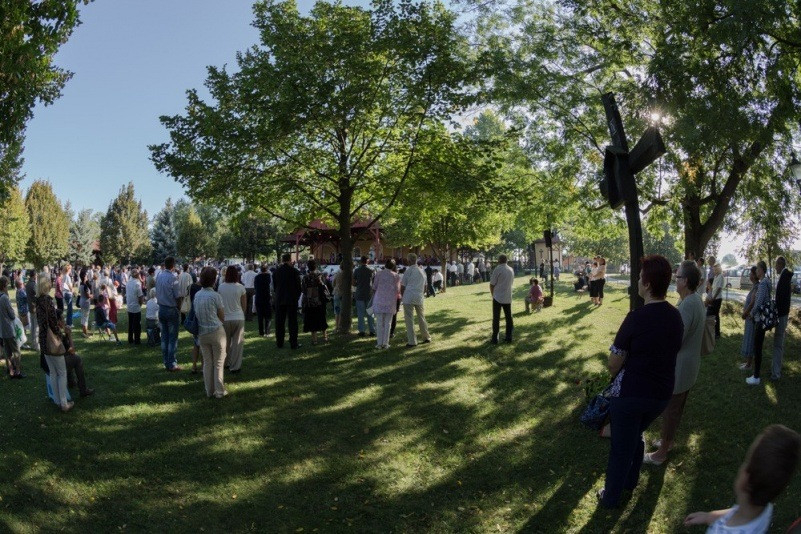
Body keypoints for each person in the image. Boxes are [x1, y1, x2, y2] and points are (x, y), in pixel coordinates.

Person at [597, 255, 683, 508]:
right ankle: (630, 481)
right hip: (660, 396)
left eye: (639, 277)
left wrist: (616, 372)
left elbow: (613, 363)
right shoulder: (675, 317)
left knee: (621, 448)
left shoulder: (636, 317)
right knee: (636, 433)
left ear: (647, 284)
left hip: (631, 395)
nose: (636, 281)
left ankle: (610, 498)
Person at [643, 260, 705, 465]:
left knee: (671, 411)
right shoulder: (694, 299)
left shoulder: (688, 304)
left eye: (677, 277)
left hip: (681, 367)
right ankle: (666, 442)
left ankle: (661, 454)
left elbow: (677, 338)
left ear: (685, 281)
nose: (675, 281)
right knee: (675, 409)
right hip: (688, 365)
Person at [684, 424, 800, 532]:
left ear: (746, 480)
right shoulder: (764, 508)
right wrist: (709, 517)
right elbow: (737, 511)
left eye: (746, 461)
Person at [36, 274, 73, 412]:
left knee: (53, 372)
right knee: (61, 372)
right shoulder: (47, 301)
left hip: (43, 339)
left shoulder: (38, 301)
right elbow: (53, 322)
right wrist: (60, 335)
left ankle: (57, 400)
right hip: (51, 340)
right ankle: (63, 403)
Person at [193, 267, 228, 398]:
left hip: (202, 332)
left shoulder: (197, 295)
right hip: (216, 331)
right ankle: (219, 391)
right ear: (214, 280)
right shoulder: (215, 296)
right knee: (218, 363)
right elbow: (222, 316)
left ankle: (209, 391)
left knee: (207, 363)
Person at [156, 256, 183, 372]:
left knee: (164, 337)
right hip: (171, 308)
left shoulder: (159, 276)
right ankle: (171, 363)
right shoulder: (173, 278)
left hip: (161, 308)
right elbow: (177, 296)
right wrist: (179, 309)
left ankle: (166, 361)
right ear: (173, 265)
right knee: (172, 338)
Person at [746, 261, 771, 386]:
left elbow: (758, 302)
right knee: (758, 347)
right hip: (762, 319)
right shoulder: (767, 282)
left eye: (757, 269)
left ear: (761, 270)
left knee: (757, 348)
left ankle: (756, 377)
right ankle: (755, 375)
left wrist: (751, 313)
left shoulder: (762, 284)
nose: (756, 271)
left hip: (759, 319)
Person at [218, 266, 246, 373]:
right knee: (237, 343)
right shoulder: (240, 287)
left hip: (225, 318)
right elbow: (244, 305)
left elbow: (219, 304)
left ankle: (225, 362)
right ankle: (235, 366)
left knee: (225, 342)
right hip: (238, 317)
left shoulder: (221, 287)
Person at [400, 254, 430, 347]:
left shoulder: (408, 271)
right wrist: (421, 294)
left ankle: (412, 341)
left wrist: (402, 296)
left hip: (409, 297)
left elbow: (402, 286)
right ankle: (426, 337)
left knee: (409, 319)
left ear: (409, 261)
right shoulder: (422, 271)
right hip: (419, 296)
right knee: (421, 317)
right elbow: (425, 286)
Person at [273, 253, 302, 349]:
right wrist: (296, 297)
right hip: (291, 299)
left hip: (280, 298)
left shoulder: (276, 272)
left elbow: (275, 286)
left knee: (279, 322)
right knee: (292, 321)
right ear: (290, 260)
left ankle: (279, 342)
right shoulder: (294, 271)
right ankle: (293, 343)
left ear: (282, 260)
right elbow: (299, 287)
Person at [372, 258, 401, 349]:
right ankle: (385, 343)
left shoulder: (378, 274)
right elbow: (398, 290)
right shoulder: (396, 276)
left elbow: (374, 287)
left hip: (379, 300)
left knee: (379, 323)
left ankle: (379, 343)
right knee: (388, 323)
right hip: (390, 301)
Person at [771, 256, 791, 381]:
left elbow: (781, 299)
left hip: (782, 315)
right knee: (778, 343)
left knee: (778, 344)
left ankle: (776, 373)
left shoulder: (784, 278)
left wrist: (775, 312)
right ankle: (775, 369)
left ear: (780, 264)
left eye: (776, 265)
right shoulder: (785, 276)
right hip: (783, 314)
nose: (775, 268)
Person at [301, 260, 329, 345]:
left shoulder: (305, 278)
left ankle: (315, 340)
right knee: (322, 318)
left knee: (312, 320)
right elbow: (324, 287)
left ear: (308, 267)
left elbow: (303, 290)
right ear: (315, 266)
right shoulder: (320, 276)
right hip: (320, 301)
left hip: (310, 302)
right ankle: (325, 337)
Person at [0, 276, 23, 378]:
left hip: (2, 329)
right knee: (16, 350)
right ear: (4, 285)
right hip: (9, 328)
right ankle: (17, 371)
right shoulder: (4, 298)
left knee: (7, 352)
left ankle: (10, 371)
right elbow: (12, 315)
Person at [489, 254, 515, 343]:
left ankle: (495, 339)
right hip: (507, 296)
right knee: (509, 318)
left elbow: (492, 284)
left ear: (499, 261)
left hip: (498, 297)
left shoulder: (498, 269)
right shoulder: (511, 270)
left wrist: (493, 295)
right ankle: (509, 337)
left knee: (496, 318)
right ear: (506, 260)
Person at [739, 267, 758, 371]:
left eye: (751, 273)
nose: (749, 275)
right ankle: (748, 362)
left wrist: (744, 313)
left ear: (754, 275)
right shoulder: (754, 286)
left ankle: (749, 364)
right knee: (749, 337)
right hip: (749, 318)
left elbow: (752, 303)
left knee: (750, 339)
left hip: (751, 317)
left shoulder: (756, 287)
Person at [353, 256, 375, 336]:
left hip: (359, 293)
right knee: (370, 313)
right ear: (367, 261)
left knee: (360, 314)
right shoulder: (371, 270)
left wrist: (358, 284)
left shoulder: (357, 270)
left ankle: (362, 331)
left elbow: (353, 282)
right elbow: (374, 283)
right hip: (369, 294)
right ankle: (372, 330)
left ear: (361, 261)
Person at [706, 263, 725, 339]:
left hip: (717, 299)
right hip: (714, 298)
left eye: (716, 269)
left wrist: (713, 298)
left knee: (716, 315)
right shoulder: (715, 277)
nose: (715, 271)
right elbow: (713, 289)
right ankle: (713, 331)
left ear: (719, 269)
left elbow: (719, 289)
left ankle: (717, 333)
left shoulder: (720, 276)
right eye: (714, 270)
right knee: (713, 315)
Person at [126, 268, 144, 345]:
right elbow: (140, 296)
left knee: (130, 324)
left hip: (129, 305)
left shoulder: (128, 282)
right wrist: (140, 304)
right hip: (135, 306)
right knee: (137, 325)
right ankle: (137, 340)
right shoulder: (137, 283)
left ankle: (130, 339)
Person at [254, 264, 273, 337]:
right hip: (267, 297)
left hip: (259, 297)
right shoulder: (269, 277)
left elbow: (255, 287)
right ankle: (267, 332)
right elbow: (271, 287)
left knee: (260, 316)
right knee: (268, 316)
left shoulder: (257, 277)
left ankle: (261, 332)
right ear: (267, 269)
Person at [25, 270, 39, 352]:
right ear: (34, 275)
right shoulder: (33, 284)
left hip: (30, 307)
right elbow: (37, 295)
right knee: (36, 327)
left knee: (33, 326)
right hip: (34, 307)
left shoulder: (27, 284)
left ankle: (33, 343)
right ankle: (36, 345)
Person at [15, 278, 30, 349]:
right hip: (24, 312)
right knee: (24, 328)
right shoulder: (21, 291)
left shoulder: (17, 291)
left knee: (23, 327)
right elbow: (27, 298)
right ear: (21, 284)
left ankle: (23, 342)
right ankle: (23, 343)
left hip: (20, 311)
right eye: (23, 283)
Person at [331, 263, 346, 331]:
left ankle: (337, 326)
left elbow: (333, 284)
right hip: (344, 294)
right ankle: (341, 325)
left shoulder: (337, 274)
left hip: (337, 293)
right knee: (344, 311)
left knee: (337, 311)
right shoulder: (347, 275)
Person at [78, 270, 93, 338]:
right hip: (85, 302)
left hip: (82, 301)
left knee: (83, 317)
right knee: (85, 318)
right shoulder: (85, 285)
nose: (87, 277)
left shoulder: (81, 284)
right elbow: (88, 295)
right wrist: (93, 296)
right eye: (86, 276)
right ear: (84, 276)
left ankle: (84, 331)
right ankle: (85, 333)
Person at [61, 264, 74, 329]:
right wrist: (73, 291)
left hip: (65, 293)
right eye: (70, 269)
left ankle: (69, 322)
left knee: (69, 309)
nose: (71, 270)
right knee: (70, 309)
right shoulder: (67, 276)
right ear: (68, 269)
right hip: (68, 293)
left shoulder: (64, 276)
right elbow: (69, 285)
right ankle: (69, 323)